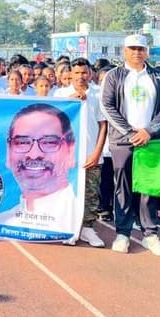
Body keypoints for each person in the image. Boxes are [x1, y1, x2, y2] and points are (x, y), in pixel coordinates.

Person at [100, 34, 160, 256]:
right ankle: (123, 233)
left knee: (148, 187)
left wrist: (149, 131)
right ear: (124, 51)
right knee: (123, 187)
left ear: (146, 52)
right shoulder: (114, 75)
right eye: (132, 48)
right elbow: (107, 106)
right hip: (123, 141)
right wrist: (130, 133)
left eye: (141, 49)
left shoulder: (157, 76)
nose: (137, 52)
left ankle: (150, 234)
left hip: (150, 140)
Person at [0, 103, 78, 233]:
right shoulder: (0, 223)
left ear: (70, 151)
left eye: (49, 142)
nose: (34, 155)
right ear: (8, 153)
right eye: (22, 142)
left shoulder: (77, 217)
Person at [54, 58, 107, 247]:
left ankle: (88, 228)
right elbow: (53, 119)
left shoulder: (99, 94)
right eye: (76, 73)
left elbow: (103, 125)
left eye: (84, 72)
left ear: (90, 73)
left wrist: (97, 152)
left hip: (90, 154)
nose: (80, 76)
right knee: (67, 193)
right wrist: (70, 102)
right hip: (66, 155)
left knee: (91, 194)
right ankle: (68, 228)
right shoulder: (60, 94)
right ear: (70, 74)